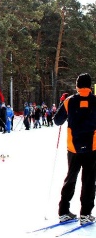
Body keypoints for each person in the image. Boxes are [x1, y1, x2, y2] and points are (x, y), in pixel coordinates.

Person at [54, 73, 96, 225]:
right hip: (92, 147)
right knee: (89, 180)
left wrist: (62, 103)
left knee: (71, 177)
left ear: (77, 86)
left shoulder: (69, 101)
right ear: (90, 86)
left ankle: (64, 210)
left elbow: (57, 121)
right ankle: (85, 214)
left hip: (73, 147)